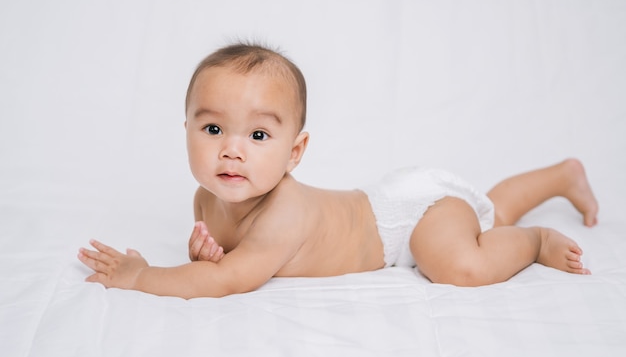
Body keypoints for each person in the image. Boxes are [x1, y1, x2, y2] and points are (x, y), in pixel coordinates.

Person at [78, 43, 599, 299]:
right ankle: (561, 175)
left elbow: (229, 279)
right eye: (213, 129)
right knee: (488, 211)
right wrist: (204, 250)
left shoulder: (283, 213)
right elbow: (224, 255)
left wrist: (142, 276)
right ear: (186, 128)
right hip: (387, 201)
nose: (231, 152)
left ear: (295, 152)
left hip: (408, 219)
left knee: (460, 263)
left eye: (258, 136)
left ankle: (534, 241)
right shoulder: (206, 197)